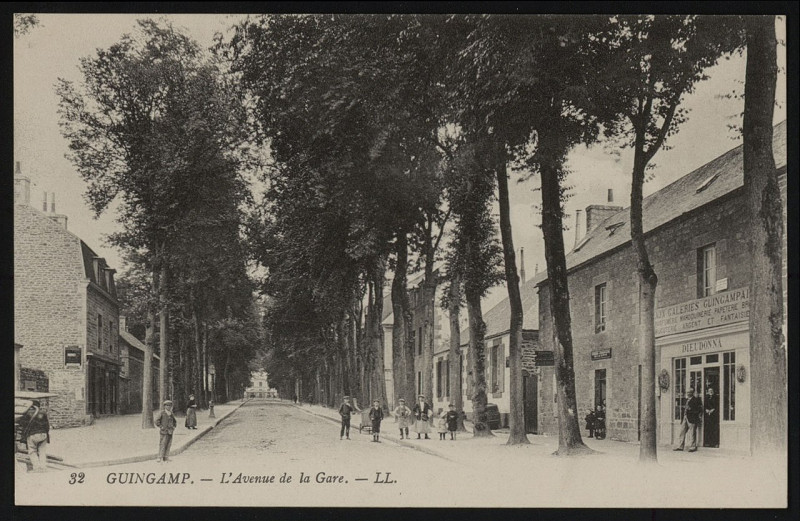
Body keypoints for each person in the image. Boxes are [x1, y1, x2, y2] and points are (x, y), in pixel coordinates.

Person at [18, 400, 50, 472]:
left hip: (32, 435)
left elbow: (22, 424)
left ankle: (37, 468)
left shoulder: (27, 413)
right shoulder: (43, 413)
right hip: (43, 434)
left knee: (32, 451)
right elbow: (47, 426)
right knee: (42, 451)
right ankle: (43, 467)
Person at [674, 388, 703, 452]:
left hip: (692, 418)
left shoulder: (696, 400)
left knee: (692, 433)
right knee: (682, 432)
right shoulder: (686, 400)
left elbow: (699, 410)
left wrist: (690, 409)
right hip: (685, 418)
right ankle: (680, 446)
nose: (688, 394)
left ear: (692, 393)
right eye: (687, 392)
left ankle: (692, 447)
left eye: (689, 392)